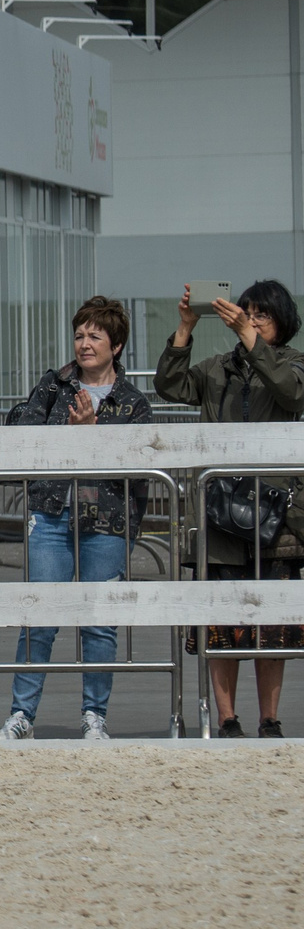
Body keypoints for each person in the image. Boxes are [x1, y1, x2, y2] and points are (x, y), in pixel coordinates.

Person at [0, 298, 152, 743]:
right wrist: (68, 431)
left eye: (95, 336)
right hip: (51, 513)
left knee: (99, 621)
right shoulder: (55, 385)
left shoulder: (134, 402)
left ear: (116, 345)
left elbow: (138, 467)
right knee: (39, 617)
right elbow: (21, 434)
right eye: (79, 335)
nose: (84, 344)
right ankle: (21, 714)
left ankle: (94, 715)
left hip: (108, 522)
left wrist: (93, 436)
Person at [156, 279, 304, 738]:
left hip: (275, 515)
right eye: (246, 313)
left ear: (283, 324)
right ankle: (227, 719)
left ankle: (270, 719)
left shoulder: (293, 363)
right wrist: (184, 328)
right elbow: (171, 386)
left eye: (263, 316)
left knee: (272, 625)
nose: (252, 321)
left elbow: (291, 394)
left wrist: (253, 342)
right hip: (219, 514)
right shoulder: (217, 368)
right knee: (223, 622)